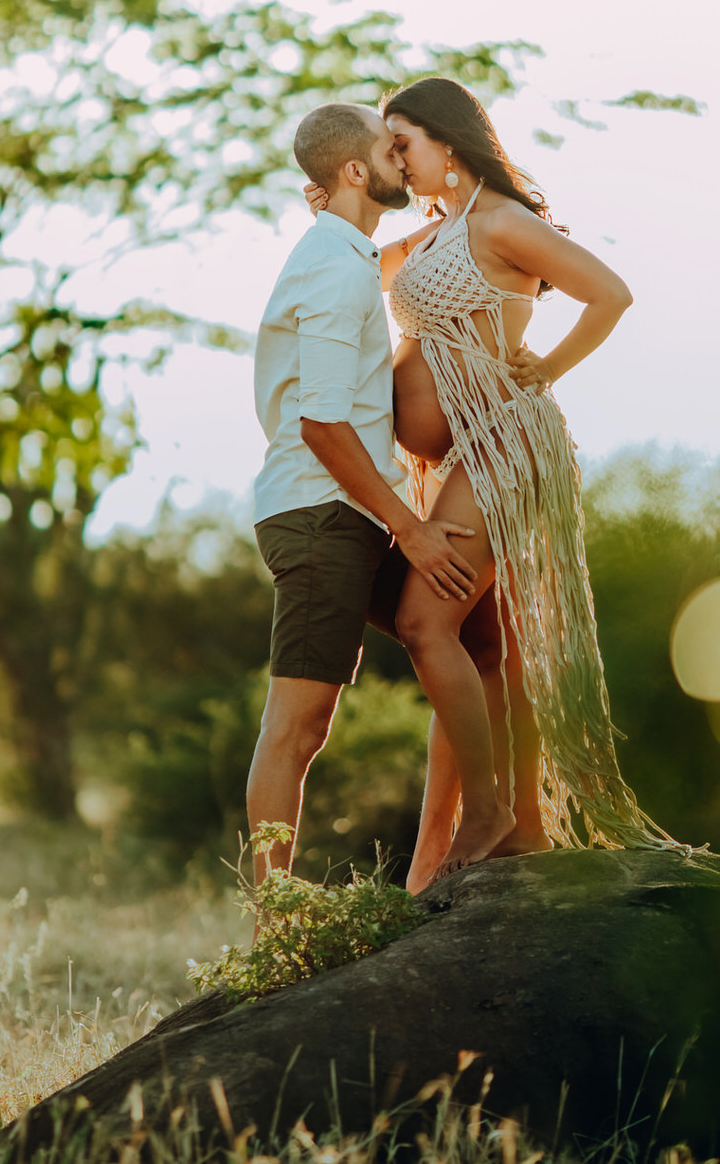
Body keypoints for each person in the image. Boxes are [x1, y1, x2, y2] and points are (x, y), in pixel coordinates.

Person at [377, 76, 677, 874]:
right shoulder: (434, 235)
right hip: (466, 456)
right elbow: (355, 270)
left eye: (401, 141)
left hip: (505, 442)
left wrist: (545, 368)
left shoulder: (504, 223)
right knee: (493, 648)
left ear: (448, 140)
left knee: (422, 622)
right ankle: (527, 824)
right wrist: (342, 191)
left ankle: (491, 812)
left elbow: (610, 293)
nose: (395, 159)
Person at [245, 102, 484, 881]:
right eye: (390, 149)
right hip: (322, 513)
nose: (402, 161)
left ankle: (465, 840)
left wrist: (467, 221)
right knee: (299, 725)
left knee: (474, 637)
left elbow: (402, 256)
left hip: (350, 513)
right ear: (356, 171)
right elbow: (322, 425)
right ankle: (270, 929)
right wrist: (410, 527)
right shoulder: (333, 268)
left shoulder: (343, 254)